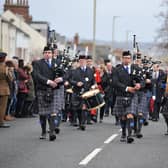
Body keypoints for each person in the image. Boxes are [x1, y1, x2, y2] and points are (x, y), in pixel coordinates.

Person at [113, 51, 144, 143]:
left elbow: (142, 80)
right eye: (125, 58)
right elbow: (115, 82)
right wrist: (126, 88)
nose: (127, 60)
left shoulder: (136, 68)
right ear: (122, 59)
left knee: (130, 114)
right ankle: (123, 133)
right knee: (123, 117)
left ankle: (129, 135)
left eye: (129, 58)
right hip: (121, 94)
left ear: (131, 59)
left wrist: (139, 85)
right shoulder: (117, 69)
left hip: (132, 95)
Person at [34, 46, 63, 141]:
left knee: (52, 112)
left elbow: (65, 74)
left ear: (52, 53)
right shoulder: (38, 63)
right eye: (45, 52)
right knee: (43, 113)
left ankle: (52, 132)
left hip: (54, 90)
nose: (47, 54)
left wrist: (60, 79)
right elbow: (37, 75)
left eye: (49, 52)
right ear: (43, 54)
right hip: (42, 89)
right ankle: (43, 131)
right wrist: (49, 81)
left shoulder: (57, 62)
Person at [70, 54, 95, 130]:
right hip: (77, 91)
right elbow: (71, 80)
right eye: (81, 61)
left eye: (84, 61)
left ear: (85, 61)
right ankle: (81, 122)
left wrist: (93, 86)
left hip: (86, 92)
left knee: (84, 108)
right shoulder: (75, 71)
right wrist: (76, 83)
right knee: (78, 109)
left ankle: (83, 123)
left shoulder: (90, 70)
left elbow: (93, 81)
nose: (82, 62)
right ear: (79, 62)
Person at [0, 52, 13, 128]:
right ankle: (1, 122)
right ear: (3, 58)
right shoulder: (5, 67)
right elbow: (10, 79)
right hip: (4, 89)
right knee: (2, 107)